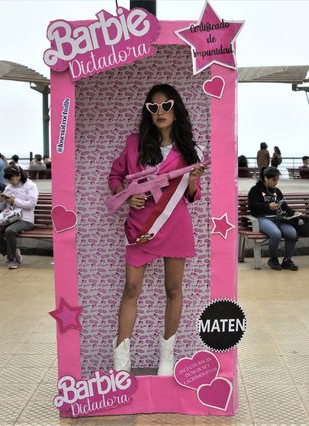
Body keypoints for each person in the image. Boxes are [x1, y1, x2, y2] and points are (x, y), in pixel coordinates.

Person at [108, 84, 206, 376]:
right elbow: (116, 175)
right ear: (147, 112)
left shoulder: (191, 150)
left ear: (177, 109)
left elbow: (193, 195)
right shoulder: (134, 143)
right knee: (130, 289)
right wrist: (126, 193)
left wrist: (192, 177)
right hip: (140, 227)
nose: (160, 112)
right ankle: (121, 364)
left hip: (175, 225)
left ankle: (167, 358)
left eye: (166, 106)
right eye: (153, 107)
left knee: (174, 289)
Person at [247, 166, 300, 271]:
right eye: (273, 180)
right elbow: (252, 207)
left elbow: (284, 206)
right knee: (276, 234)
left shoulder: (277, 191)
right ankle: (273, 259)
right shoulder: (255, 190)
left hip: (278, 218)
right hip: (262, 218)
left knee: (292, 233)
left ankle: (287, 260)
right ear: (266, 178)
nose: (275, 183)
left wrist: (294, 213)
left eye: (277, 180)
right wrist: (267, 206)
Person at [0, 166, 38, 269]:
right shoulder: (8, 187)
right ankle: (13, 252)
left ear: (18, 176)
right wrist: (1, 200)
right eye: (8, 179)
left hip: (25, 219)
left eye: (11, 179)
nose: (10, 181)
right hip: (9, 217)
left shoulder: (30, 186)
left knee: (10, 231)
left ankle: (11, 259)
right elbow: (1, 208)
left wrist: (14, 201)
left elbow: (31, 204)